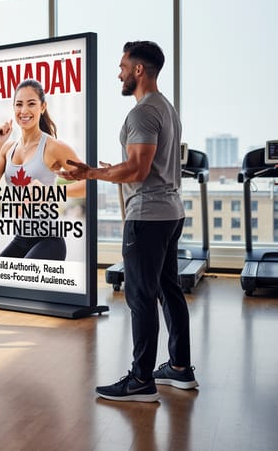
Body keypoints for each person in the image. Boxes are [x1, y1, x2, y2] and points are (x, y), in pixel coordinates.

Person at [59, 41, 197, 402]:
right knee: (168, 291)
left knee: (140, 298)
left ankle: (140, 380)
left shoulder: (141, 113)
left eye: (122, 66)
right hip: (170, 212)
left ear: (139, 70)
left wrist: (90, 173)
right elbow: (140, 166)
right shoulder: (166, 107)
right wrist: (108, 171)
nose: (118, 72)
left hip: (147, 217)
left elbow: (138, 167)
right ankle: (179, 368)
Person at [0, 78, 86, 260]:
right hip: (22, 238)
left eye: (31, 104)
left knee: (22, 281)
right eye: (19, 104)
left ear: (42, 107)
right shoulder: (7, 148)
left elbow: (87, 183)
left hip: (49, 240)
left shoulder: (54, 147)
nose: (24, 110)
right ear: (13, 108)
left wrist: (49, 192)